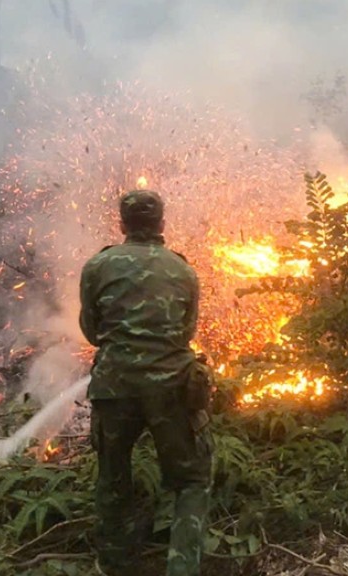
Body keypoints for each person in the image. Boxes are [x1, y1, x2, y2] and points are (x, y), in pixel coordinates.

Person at [79, 189, 212, 576]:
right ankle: (182, 568)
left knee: (112, 477)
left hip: (113, 388)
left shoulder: (97, 266)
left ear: (122, 225)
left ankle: (115, 565)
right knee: (190, 480)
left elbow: (91, 331)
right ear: (162, 224)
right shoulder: (183, 270)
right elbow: (186, 332)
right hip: (171, 388)